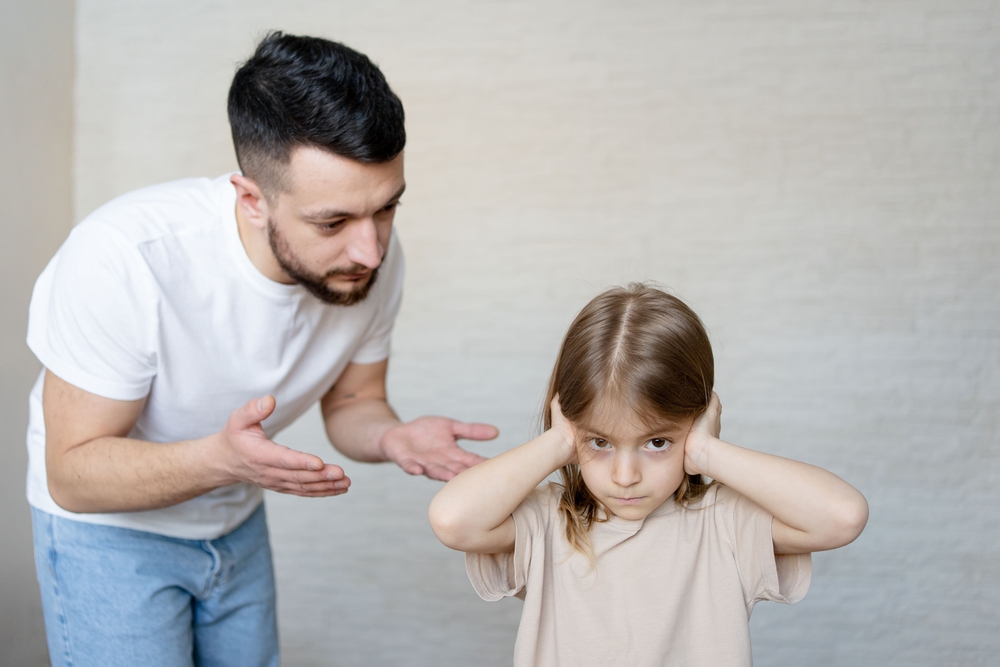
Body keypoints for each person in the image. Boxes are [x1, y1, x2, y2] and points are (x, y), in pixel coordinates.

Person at [26, 32, 497, 667]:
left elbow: (355, 401)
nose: (371, 250)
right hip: (107, 534)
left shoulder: (373, 261)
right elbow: (73, 475)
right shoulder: (125, 259)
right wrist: (223, 460)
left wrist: (391, 437)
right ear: (251, 199)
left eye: (387, 209)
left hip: (235, 523)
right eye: (332, 223)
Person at [429, 283, 869, 666]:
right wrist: (561, 442)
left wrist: (706, 452)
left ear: (696, 424)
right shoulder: (548, 522)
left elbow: (842, 516)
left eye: (657, 442)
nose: (625, 476)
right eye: (599, 442)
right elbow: (453, 519)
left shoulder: (724, 523)